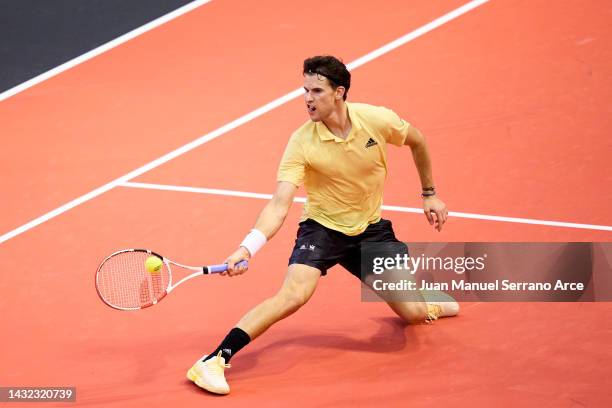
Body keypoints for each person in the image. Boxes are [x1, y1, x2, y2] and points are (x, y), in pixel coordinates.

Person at [186, 55, 458, 395]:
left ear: (339, 92)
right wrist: (247, 247)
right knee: (293, 295)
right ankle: (213, 360)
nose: (307, 99)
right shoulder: (302, 141)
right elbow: (279, 203)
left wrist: (429, 193)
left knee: (414, 314)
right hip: (323, 228)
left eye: (316, 90)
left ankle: (423, 303)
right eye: (305, 90)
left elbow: (417, 140)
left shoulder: (376, 120)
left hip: (370, 229)